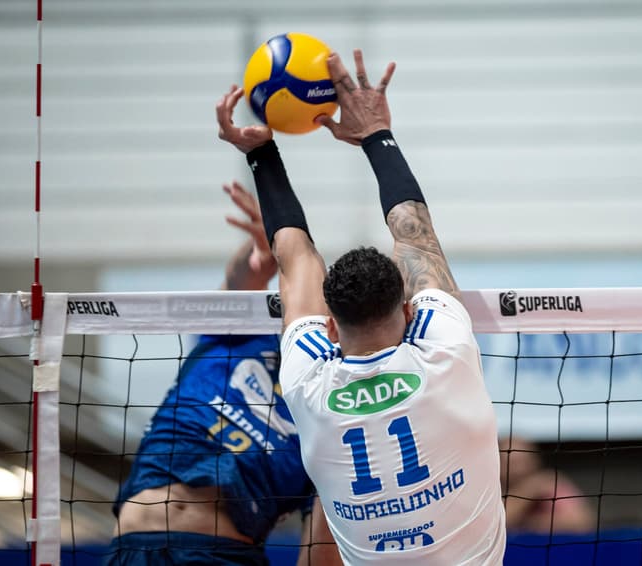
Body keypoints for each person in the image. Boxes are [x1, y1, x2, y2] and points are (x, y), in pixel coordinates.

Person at [216, 48, 506, 564]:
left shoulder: (307, 379)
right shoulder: (446, 355)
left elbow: (296, 260)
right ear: (412, 311)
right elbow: (415, 234)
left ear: (330, 325)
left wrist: (261, 152)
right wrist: (376, 134)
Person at [106, 181, 341, 565]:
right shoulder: (240, 331)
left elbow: (320, 545)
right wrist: (259, 254)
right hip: (133, 548)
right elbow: (238, 284)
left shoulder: (334, 404)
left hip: (223, 555)